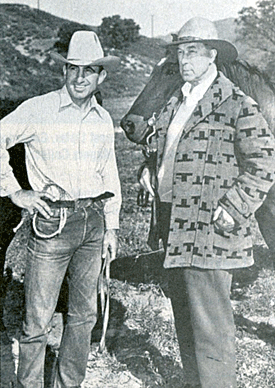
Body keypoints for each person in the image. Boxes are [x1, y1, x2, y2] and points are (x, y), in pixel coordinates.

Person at [137, 18, 275, 388]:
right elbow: (165, 148)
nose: (184, 60)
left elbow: (264, 161)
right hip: (177, 227)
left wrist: (234, 207)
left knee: (211, 331)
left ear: (212, 54)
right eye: (180, 52)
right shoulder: (177, 102)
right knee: (185, 321)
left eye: (193, 51)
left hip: (212, 232)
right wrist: (151, 169)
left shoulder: (236, 103)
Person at [0, 30, 121, 388]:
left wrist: (111, 226)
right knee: (37, 321)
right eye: (72, 69)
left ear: (101, 76)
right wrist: (15, 192)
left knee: (84, 316)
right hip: (52, 224)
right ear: (63, 72)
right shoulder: (39, 109)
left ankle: (70, 384)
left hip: (93, 222)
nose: (80, 78)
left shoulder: (102, 119)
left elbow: (109, 172)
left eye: (89, 70)